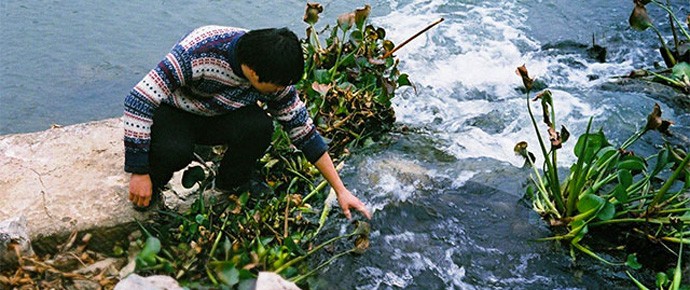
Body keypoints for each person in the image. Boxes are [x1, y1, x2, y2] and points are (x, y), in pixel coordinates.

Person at [124, 25, 371, 219]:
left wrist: (340, 190)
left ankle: (226, 187)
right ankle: (151, 184)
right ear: (253, 73)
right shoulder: (198, 51)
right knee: (175, 152)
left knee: (260, 127)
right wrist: (139, 171)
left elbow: (302, 129)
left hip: (219, 115)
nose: (280, 90)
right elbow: (138, 99)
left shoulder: (271, 72)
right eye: (276, 85)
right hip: (175, 110)